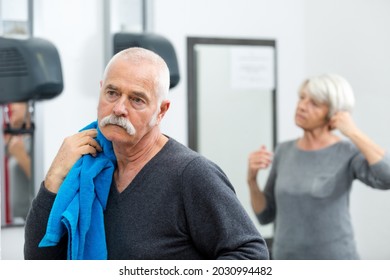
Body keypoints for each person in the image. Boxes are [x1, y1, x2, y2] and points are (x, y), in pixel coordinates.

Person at [24, 47, 269, 260]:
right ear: (101, 92)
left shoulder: (191, 174)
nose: (119, 108)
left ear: (161, 111)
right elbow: (40, 261)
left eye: (136, 100)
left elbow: (250, 254)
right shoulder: (87, 171)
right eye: (112, 93)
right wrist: (55, 176)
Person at [247, 73, 390, 260]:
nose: (302, 106)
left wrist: (353, 132)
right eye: (302, 98)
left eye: (314, 103)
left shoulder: (347, 152)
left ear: (334, 113)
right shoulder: (284, 150)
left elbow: (386, 178)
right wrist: (251, 179)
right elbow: (264, 215)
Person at [3, 102, 33, 222]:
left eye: (17, 102)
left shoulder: (35, 141)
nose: (12, 106)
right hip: (16, 220)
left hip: (29, 219)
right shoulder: (19, 140)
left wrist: (21, 156)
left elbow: (45, 180)